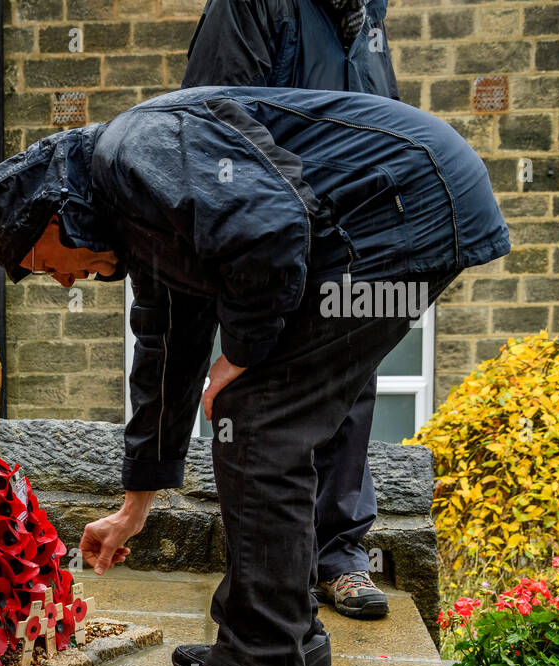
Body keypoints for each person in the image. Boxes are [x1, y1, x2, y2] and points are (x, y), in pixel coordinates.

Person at [0, 87, 509, 666]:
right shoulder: (134, 216)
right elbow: (166, 353)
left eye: (40, 266)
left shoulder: (130, 152)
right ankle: (289, 645)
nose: (60, 282)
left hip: (401, 209)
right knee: (254, 418)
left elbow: (270, 228)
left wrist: (245, 353)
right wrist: (135, 503)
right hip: (395, 208)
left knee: (256, 420)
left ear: (50, 219)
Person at [182, 0, 400, 623]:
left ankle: (338, 556)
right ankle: (271, 574)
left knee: (352, 392)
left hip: (355, 237)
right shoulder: (251, 5)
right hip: (276, 235)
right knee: (263, 400)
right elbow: (211, 124)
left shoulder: (368, 15)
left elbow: (385, 122)